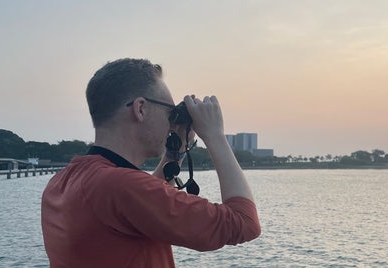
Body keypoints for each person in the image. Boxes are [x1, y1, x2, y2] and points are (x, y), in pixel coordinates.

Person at [41, 58, 261, 267]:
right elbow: (244, 223)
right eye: (169, 111)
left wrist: (176, 149)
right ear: (141, 109)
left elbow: (142, 200)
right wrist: (215, 135)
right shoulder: (121, 186)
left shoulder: (61, 182)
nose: (171, 121)